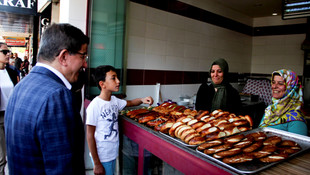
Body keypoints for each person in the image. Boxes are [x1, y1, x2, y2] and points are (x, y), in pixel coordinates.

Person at [5, 23, 89, 174]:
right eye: (83, 56)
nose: (85, 64)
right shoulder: (57, 96)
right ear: (64, 56)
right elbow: (63, 167)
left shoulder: (21, 86)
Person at [86, 65, 154, 175]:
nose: (118, 81)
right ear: (102, 84)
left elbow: (131, 102)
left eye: (117, 77)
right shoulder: (95, 105)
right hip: (102, 156)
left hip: (112, 154)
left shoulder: (114, 100)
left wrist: (142, 99)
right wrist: (97, 163)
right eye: (113, 78)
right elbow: (89, 135)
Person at [259, 69, 308, 136]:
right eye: (273, 82)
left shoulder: (296, 120)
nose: (274, 86)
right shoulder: (270, 110)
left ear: (291, 88)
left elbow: (299, 145)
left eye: (280, 83)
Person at [0, 42, 19, 175]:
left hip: (11, 115)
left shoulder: (12, 71)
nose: (8, 55)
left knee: (12, 151)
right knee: (1, 155)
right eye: (4, 52)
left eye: (9, 52)